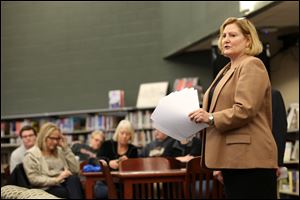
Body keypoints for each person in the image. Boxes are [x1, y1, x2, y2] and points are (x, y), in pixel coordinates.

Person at [188, 17, 278, 199]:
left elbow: (244, 110)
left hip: (251, 161)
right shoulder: (225, 70)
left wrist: (210, 117)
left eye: (233, 35)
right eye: (224, 35)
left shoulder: (252, 65)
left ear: (248, 40)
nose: (226, 39)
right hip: (232, 160)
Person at [23, 122, 84, 199]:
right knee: (66, 191)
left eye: (58, 138)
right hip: (46, 187)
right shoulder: (31, 155)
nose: (55, 142)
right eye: (52, 138)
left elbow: (75, 170)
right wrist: (57, 179)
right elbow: (34, 179)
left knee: (74, 179)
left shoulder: (59, 151)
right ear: (44, 137)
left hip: (63, 183)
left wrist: (66, 149)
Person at [71, 130, 108, 199]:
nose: (98, 143)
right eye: (96, 140)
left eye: (101, 142)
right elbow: (72, 149)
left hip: (92, 177)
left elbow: (100, 164)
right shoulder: (80, 146)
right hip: (78, 172)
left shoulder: (101, 153)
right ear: (91, 139)